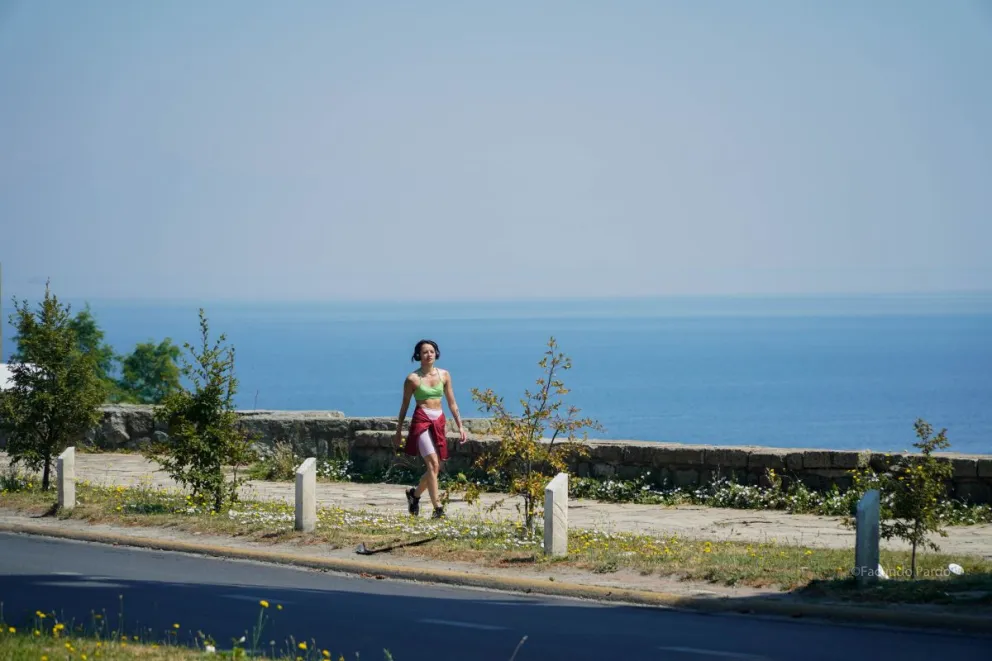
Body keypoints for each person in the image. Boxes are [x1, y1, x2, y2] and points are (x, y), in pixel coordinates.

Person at [393, 339, 467, 518]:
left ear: (436, 354)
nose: (429, 355)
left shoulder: (444, 375)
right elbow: (404, 406)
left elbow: (452, 402)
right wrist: (398, 431)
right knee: (433, 464)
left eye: (432, 351)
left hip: (439, 419)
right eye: (425, 352)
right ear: (419, 355)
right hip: (422, 420)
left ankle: (414, 495)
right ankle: (438, 508)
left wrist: (460, 426)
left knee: (437, 467)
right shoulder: (413, 379)